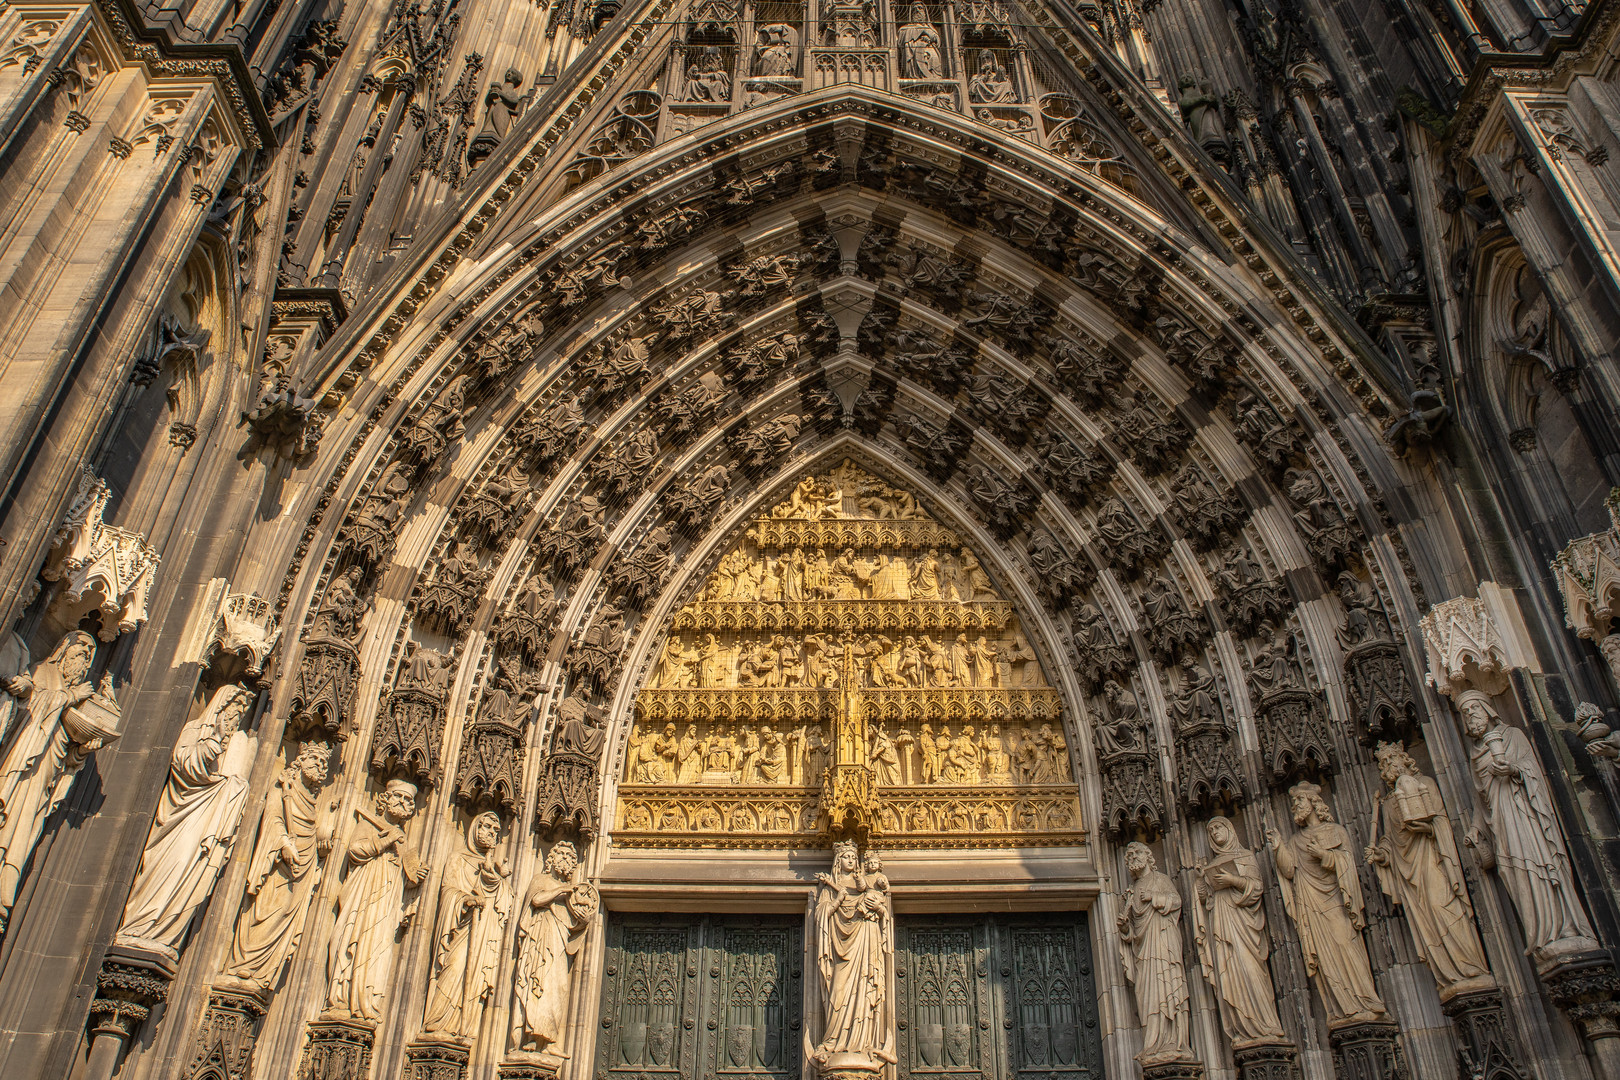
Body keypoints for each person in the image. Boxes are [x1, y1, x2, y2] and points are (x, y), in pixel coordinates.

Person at [1193, 818, 1286, 1044]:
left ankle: (1263, 1025)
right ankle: (1242, 1028)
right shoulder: (1212, 865)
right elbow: (1206, 900)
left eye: (1218, 828)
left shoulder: (1245, 857)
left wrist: (1233, 879)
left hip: (1243, 927)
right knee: (1230, 973)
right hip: (1221, 925)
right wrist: (1202, 880)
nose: (1214, 833)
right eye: (1210, 830)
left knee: (1249, 969)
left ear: (1230, 830)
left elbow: (1256, 888)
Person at [424, 813, 515, 1037]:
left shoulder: (492, 868)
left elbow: (503, 905)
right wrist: (465, 899)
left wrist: (495, 879)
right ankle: (440, 1021)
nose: (492, 833)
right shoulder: (458, 858)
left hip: (483, 933)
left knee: (474, 979)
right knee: (454, 969)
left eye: (496, 830)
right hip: (462, 929)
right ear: (475, 828)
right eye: (487, 827)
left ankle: (462, 1029)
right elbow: (448, 891)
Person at [511, 841, 598, 1056]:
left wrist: (583, 921)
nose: (566, 862)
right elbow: (537, 900)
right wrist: (560, 890)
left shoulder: (570, 895)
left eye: (571, 859)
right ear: (552, 859)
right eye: (564, 856)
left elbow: (571, 926)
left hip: (557, 944)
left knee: (558, 986)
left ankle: (548, 1040)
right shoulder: (542, 881)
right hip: (540, 942)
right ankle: (531, 1037)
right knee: (538, 983)